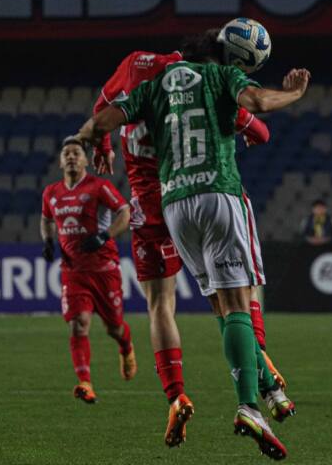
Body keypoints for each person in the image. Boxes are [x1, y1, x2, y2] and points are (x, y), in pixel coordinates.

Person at [77, 48, 310, 460]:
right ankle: (258, 392)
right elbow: (259, 123)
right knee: (239, 296)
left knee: (163, 308)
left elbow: (98, 120)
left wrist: (101, 144)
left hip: (163, 207)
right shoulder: (210, 83)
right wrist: (287, 97)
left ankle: (177, 396)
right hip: (214, 191)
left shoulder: (145, 89)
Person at [40, 137, 134, 404]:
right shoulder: (51, 192)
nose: (71, 157)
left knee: (114, 328)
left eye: (76, 153)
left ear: (85, 160)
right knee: (78, 325)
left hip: (104, 269)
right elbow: (46, 219)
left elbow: (125, 212)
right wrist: (48, 241)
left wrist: (105, 236)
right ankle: (85, 382)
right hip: (74, 271)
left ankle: (126, 347)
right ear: (60, 161)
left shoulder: (99, 187)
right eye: (66, 153)